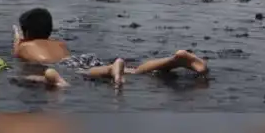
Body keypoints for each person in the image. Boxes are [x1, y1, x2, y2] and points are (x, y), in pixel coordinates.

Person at [12, 8, 209, 88]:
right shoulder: (59, 43)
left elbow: (18, 51)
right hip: (82, 57)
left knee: (93, 72)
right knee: (136, 70)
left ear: (26, 33)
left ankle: (112, 68)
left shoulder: (24, 46)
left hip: (66, 66)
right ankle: (175, 59)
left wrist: (18, 39)